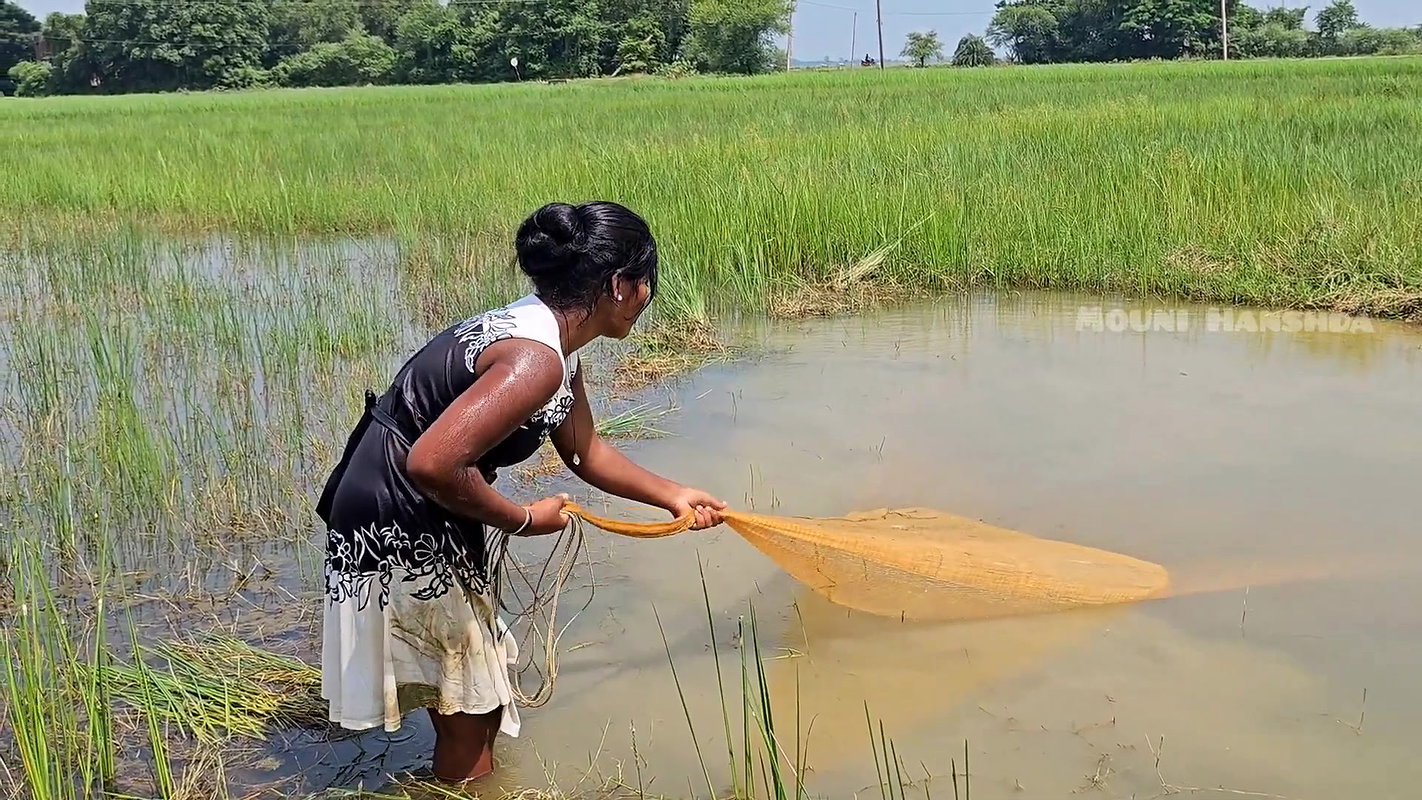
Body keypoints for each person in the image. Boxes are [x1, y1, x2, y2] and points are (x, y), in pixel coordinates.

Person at [316, 200, 726, 782]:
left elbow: (586, 450)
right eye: (644, 283)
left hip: (415, 503)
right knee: (469, 710)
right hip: (397, 514)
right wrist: (523, 519)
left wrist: (674, 494)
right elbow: (432, 463)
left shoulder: (553, 343)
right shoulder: (535, 360)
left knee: (472, 704)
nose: (646, 298)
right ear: (617, 285)